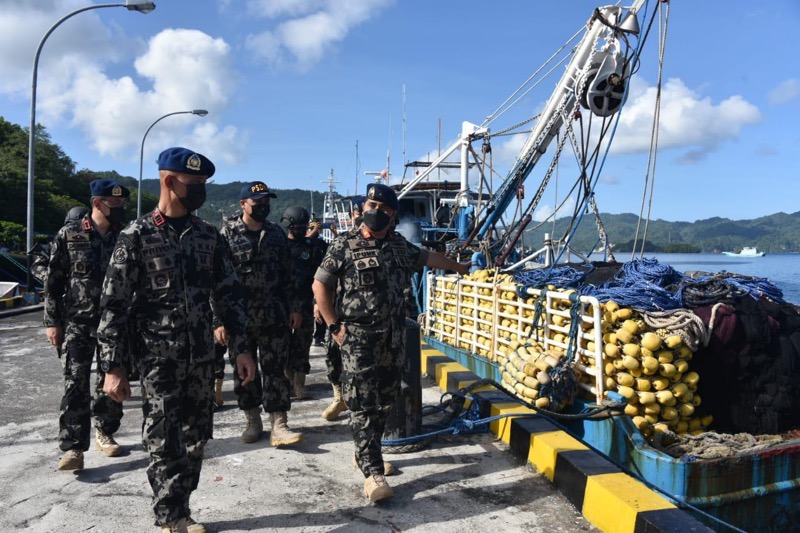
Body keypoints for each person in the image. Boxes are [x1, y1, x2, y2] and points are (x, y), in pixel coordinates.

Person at [96, 147, 256, 533]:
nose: (200, 190)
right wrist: (113, 367)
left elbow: (230, 296)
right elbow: (114, 305)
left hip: (202, 357)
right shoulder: (136, 236)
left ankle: (182, 508)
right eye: (195, 184)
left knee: (196, 439)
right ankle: (171, 518)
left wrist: (243, 349)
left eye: (202, 184)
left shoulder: (209, 237)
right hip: (157, 359)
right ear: (170, 181)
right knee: (164, 439)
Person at [312, 183, 469, 503]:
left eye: (384, 209)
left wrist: (460, 267)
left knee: (384, 401)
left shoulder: (399, 246)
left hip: (394, 338)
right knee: (363, 404)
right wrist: (335, 327)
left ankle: (368, 454)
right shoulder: (345, 244)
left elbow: (429, 258)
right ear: (364, 206)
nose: (376, 212)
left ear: (393, 215)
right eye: (372, 205)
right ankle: (372, 471)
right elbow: (319, 286)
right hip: (358, 339)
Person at [44, 179, 130, 471]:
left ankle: (105, 432)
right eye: (114, 204)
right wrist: (52, 322)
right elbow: (53, 282)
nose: (119, 209)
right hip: (77, 323)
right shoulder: (70, 234)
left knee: (111, 381)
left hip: (116, 324)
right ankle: (72, 448)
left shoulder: (127, 236)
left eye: (122, 204)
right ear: (97, 203)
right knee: (75, 383)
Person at [214, 181, 303, 447]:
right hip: (238, 318)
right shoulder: (227, 235)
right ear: (243, 204)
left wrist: (295, 307)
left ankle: (279, 423)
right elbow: (216, 281)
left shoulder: (276, 234)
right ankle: (252, 420)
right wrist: (218, 320)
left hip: (274, 314)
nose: (263, 207)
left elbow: (290, 275)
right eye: (257, 203)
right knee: (244, 371)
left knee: (276, 368)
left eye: (267, 203)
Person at [282, 206, 324, 400]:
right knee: (283, 346)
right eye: (296, 226)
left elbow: (320, 276)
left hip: (306, 302)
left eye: (303, 226)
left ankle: (299, 385)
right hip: (282, 304)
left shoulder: (311, 247)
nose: (299, 229)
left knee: (303, 344)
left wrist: (317, 302)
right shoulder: (279, 246)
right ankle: (287, 382)